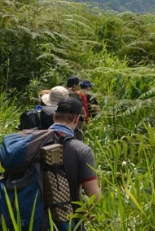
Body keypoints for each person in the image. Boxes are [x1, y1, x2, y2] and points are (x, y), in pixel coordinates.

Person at [50, 97, 101, 228]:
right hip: (67, 222)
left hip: (33, 221)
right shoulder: (81, 150)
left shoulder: (34, 142)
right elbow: (94, 197)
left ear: (54, 116)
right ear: (77, 119)